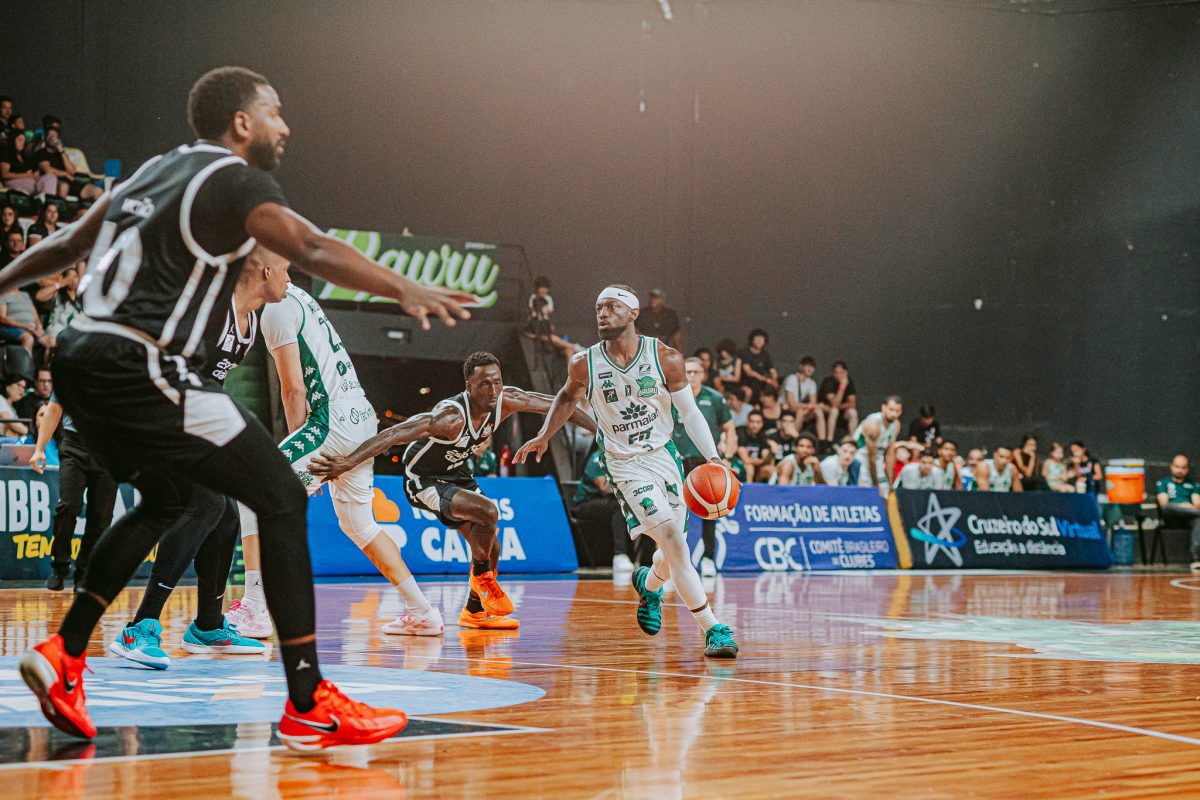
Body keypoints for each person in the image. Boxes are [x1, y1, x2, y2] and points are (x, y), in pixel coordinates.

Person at [0, 66, 473, 749]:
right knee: (279, 495)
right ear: (242, 122)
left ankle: (65, 653)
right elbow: (312, 245)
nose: (285, 126)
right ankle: (308, 701)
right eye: (275, 112)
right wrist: (403, 288)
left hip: (79, 361)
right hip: (140, 363)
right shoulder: (232, 177)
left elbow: (69, 242)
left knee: (174, 500)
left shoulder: (154, 172)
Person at [515, 284, 738, 659]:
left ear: (634, 313)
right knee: (673, 540)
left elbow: (689, 413)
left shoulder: (665, 357)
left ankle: (649, 584)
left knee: (671, 553)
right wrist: (543, 435)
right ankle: (713, 628)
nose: (602, 314)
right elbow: (566, 398)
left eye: (612, 307)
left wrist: (714, 458)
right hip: (624, 465)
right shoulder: (584, 362)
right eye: (599, 308)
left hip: (664, 457)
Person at [310, 351, 595, 630]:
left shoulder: (507, 400)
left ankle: (474, 610)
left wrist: (601, 432)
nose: (493, 390)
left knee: (492, 546)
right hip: (423, 479)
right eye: (484, 384)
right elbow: (393, 434)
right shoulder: (450, 417)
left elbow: (563, 404)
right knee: (488, 512)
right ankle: (482, 577)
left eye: (497, 381)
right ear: (469, 386)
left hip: (457, 473)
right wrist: (348, 462)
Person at [229, 278, 448, 641]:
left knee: (254, 490)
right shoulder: (301, 297)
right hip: (360, 415)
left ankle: (254, 608)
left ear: (262, 269)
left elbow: (293, 389)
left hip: (330, 420)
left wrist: (300, 447)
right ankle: (422, 612)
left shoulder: (276, 308)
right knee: (360, 525)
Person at [106, 247, 290, 669]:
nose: (289, 280)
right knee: (205, 503)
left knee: (225, 515)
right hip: (154, 411)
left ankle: (207, 625)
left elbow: (211, 385)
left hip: (194, 418)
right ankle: (139, 627)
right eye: (285, 270)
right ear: (265, 271)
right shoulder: (210, 309)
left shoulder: (250, 322)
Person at [30, 391, 118, 591]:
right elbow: (53, 409)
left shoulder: (124, 375)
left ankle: (85, 573)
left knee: (101, 517)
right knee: (69, 506)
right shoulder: (69, 371)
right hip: (74, 443)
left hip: (109, 448)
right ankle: (59, 566)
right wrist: (39, 448)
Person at [671, 356, 736, 578]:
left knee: (711, 510)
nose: (691, 376)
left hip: (707, 462)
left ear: (703, 374)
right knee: (674, 510)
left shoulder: (715, 398)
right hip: (679, 461)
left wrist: (727, 456)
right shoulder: (674, 396)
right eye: (687, 372)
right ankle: (673, 561)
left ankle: (708, 558)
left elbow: (730, 429)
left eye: (695, 372)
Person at [573, 445, 635, 572]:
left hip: (608, 501)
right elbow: (605, 488)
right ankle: (620, 555)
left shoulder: (628, 458)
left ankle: (647, 559)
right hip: (586, 503)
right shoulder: (598, 457)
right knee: (619, 506)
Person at [1154, 455, 1200, 573]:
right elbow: (1164, 504)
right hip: (1171, 516)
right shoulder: (1163, 483)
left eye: (1183, 467)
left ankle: (1196, 558)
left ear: (1187, 469)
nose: (1180, 470)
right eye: (1177, 467)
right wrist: (1182, 506)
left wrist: (1190, 508)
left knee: (1198, 519)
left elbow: (1197, 503)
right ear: (1171, 467)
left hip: (1188, 517)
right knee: (1167, 507)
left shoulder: (1193, 485)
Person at [852, 396, 903, 496]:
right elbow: (871, 457)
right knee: (868, 493)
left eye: (897, 411)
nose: (894, 414)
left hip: (878, 458)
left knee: (885, 492)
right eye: (891, 409)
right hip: (860, 457)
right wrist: (876, 484)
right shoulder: (873, 424)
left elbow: (890, 454)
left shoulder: (896, 425)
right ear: (883, 408)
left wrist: (890, 481)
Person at [524, 275, 579, 359]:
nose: (544, 290)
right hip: (538, 327)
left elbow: (548, 312)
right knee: (557, 340)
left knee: (568, 349)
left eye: (545, 288)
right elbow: (532, 314)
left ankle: (572, 353)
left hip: (546, 326)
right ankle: (575, 346)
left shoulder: (548, 299)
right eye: (542, 287)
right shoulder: (533, 299)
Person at [0, 280, 53, 359]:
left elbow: (35, 315)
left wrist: (39, 326)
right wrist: (23, 326)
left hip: (31, 328)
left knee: (51, 341)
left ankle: (46, 366)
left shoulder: (25, 295)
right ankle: (26, 365)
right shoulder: (3, 295)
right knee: (28, 339)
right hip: (13, 327)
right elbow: (2, 318)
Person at [781, 356, 825, 441]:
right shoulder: (792, 379)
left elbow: (813, 404)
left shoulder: (811, 383)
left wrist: (812, 407)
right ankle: (794, 440)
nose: (810, 369)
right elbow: (791, 404)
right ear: (801, 366)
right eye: (807, 366)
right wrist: (809, 406)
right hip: (785, 408)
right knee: (800, 412)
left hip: (800, 408)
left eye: (812, 367)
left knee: (818, 411)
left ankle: (822, 441)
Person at [2, 131, 57, 196]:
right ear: (12, 140)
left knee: (51, 177)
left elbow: (31, 172)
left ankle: (45, 199)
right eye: (20, 140)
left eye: (23, 141)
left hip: (28, 179)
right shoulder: (6, 155)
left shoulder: (23, 155)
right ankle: (45, 199)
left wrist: (34, 173)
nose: (22, 143)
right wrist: (26, 175)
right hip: (13, 181)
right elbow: (4, 175)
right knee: (39, 185)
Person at [819, 361, 858, 441]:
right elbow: (835, 404)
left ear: (846, 372)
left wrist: (839, 406)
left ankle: (853, 440)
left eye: (841, 372)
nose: (839, 375)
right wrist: (842, 387)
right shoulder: (829, 381)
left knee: (853, 412)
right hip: (828, 412)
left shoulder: (849, 381)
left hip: (841, 412)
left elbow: (853, 404)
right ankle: (829, 441)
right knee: (834, 411)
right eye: (836, 372)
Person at [738, 329, 777, 401]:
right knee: (752, 385)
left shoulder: (765, 354)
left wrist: (774, 381)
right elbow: (748, 372)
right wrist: (765, 379)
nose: (759, 341)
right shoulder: (744, 352)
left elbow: (772, 370)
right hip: (745, 383)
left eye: (762, 339)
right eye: (757, 339)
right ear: (752, 340)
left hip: (761, 384)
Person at [737, 410, 775, 483]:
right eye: (752, 422)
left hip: (757, 469)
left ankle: (770, 491)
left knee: (771, 469)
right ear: (748, 422)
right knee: (749, 467)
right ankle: (749, 490)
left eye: (758, 422)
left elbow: (766, 460)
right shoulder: (740, 433)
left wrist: (772, 452)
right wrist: (762, 461)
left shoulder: (763, 436)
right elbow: (746, 460)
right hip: (739, 466)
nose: (755, 425)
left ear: (762, 424)